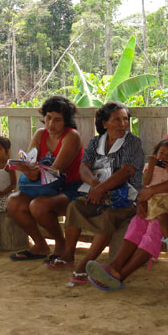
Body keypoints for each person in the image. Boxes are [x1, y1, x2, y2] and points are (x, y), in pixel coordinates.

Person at [84, 98, 168, 290]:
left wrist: (150, 193)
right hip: (160, 194)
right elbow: (154, 172)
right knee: (140, 219)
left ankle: (121, 275)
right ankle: (114, 266)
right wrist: (144, 198)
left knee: (155, 224)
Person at [50, 101, 144, 285]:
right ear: (104, 123)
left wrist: (100, 189)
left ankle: (85, 264)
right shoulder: (95, 142)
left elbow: (126, 171)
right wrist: (94, 185)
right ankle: (69, 255)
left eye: (125, 119)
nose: (122, 124)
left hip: (125, 197)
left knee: (108, 217)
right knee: (75, 206)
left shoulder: (132, 143)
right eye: (116, 120)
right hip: (96, 193)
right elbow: (84, 167)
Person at [8, 96, 84, 261]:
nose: (51, 124)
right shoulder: (40, 134)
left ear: (66, 122)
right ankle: (40, 245)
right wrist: (26, 169)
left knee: (38, 206)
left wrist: (31, 172)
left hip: (71, 188)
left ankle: (60, 243)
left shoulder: (72, 136)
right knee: (13, 202)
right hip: (44, 186)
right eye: (48, 118)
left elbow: (55, 172)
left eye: (57, 120)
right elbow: (30, 162)